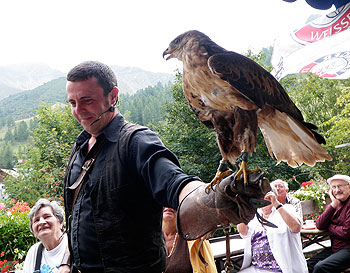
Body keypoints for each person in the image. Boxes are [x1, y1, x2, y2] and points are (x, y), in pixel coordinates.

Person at [63, 61, 270, 273]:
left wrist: (210, 197)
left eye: (87, 100)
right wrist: (66, 263)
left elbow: (176, 183)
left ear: (113, 96)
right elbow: (78, 219)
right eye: (72, 103)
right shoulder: (80, 149)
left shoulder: (136, 142)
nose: (79, 110)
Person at [237, 186, 308, 273]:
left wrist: (276, 204)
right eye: (258, 197)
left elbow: (296, 228)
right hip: (256, 268)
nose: (262, 199)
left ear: (274, 196)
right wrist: (244, 210)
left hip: (281, 269)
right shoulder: (254, 216)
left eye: (266, 196)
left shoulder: (286, 209)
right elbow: (243, 232)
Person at [307, 174, 350, 273]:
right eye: (334, 187)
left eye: (340, 186)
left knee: (321, 267)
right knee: (309, 264)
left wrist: (330, 226)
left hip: (348, 249)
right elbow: (320, 225)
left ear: (349, 186)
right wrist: (333, 204)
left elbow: (346, 232)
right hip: (337, 248)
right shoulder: (336, 204)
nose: (337, 190)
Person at [162, 207, 217, 273]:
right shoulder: (151, 238)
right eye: (163, 201)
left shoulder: (195, 237)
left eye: (172, 202)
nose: (168, 206)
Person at [23, 198, 70, 273]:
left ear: (60, 222)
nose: (41, 222)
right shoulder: (34, 252)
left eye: (47, 216)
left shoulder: (73, 244)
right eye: (36, 220)